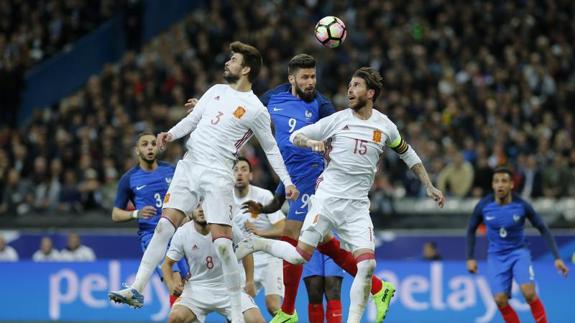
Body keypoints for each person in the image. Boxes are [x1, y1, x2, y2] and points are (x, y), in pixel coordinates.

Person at [237, 67, 446, 323]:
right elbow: (296, 136)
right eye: (349, 85)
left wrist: (429, 185)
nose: (350, 90)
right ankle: (256, 244)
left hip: (357, 207)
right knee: (299, 255)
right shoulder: (337, 119)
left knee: (367, 266)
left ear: (370, 93)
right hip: (326, 200)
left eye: (356, 85)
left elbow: (407, 153)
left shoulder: (385, 126)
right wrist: (310, 142)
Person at [109, 41, 297, 323]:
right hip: (190, 165)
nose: (227, 63)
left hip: (218, 174)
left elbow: (271, 148)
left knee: (222, 244)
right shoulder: (216, 91)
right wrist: (169, 135)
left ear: (245, 69)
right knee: (163, 226)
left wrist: (287, 181)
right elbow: (193, 119)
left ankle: (235, 308)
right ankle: (136, 288)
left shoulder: (256, 109)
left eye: (233, 60)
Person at [466, 167, 569, 323]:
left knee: (528, 293)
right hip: (496, 256)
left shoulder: (522, 205)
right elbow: (471, 230)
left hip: (518, 253)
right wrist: (470, 257)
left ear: (511, 185)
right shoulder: (483, 206)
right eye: (496, 181)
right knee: (500, 300)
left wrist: (557, 257)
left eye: (504, 181)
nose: (500, 185)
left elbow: (543, 228)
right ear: (493, 185)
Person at [110, 132, 189, 306]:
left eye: (153, 143)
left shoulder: (170, 170)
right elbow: (115, 214)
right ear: (137, 150)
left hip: (178, 234)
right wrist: (136, 213)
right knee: (174, 282)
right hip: (152, 236)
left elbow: (186, 195)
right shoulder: (129, 179)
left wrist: (187, 214)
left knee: (186, 285)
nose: (150, 147)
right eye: (144, 144)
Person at [162, 205, 265, 323]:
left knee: (257, 321)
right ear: (190, 213)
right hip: (197, 289)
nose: (201, 209)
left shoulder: (226, 227)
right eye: (197, 207)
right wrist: (170, 284)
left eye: (205, 206)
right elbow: (167, 264)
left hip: (229, 288)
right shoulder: (182, 233)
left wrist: (250, 281)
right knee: (175, 318)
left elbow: (247, 250)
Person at [232, 157, 286, 316]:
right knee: (236, 309)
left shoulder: (263, 196)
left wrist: (261, 233)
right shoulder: (225, 198)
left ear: (251, 175)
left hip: (269, 256)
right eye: (235, 170)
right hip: (244, 260)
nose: (239, 173)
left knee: (273, 307)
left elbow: (282, 228)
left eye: (243, 169)